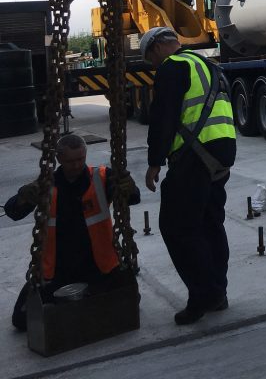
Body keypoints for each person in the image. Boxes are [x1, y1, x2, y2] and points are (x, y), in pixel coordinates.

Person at [141, 26, 237, 326]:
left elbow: (163, 117)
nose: (153, 65)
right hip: (220, 154)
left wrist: (154, 162)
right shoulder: (208, 65)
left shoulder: (173, 67)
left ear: (157, 47)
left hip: (193, 157)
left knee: (177, 228)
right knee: (210, 224)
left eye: (150, 59)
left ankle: (200, 297)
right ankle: (218, 294)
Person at [4, 134, 140, 331]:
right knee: (21, 318)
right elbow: (13, 212)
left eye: (80, 159)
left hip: (99, 267)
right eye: (70, 161)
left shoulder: (101, 177)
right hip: (59, 271)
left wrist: (130, 187)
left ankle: (77, 308)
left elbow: (133, 198)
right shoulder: (46, 185)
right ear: (59, 159)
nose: (76, 165)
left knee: (130, 301)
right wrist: (23, 198)